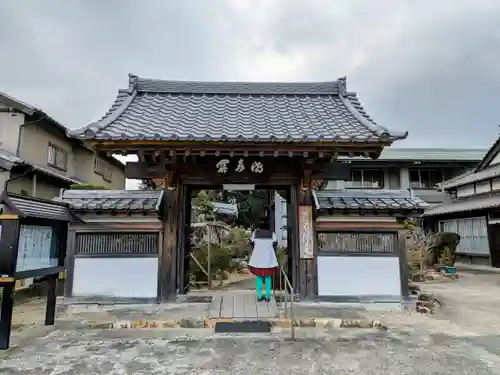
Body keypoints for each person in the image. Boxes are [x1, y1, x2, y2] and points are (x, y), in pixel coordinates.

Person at [248, 219, 278, 302]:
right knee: (268, 277)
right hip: (269, 259)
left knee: (259, 277)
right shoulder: (272, 234)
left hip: (257, 259)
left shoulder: (255, 233)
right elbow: (275, 244)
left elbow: (251, 243)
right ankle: (268, 296)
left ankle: (260, 296)